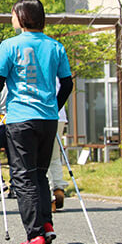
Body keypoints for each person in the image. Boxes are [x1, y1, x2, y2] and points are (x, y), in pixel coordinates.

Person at [0, 0, 73, 244]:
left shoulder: (9, 46)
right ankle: (46, 224)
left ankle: (34, 236)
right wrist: (53, 107)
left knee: (23, 177)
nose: (11, 18)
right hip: (48, 120)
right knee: (39, 173)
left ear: (22, 17)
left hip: (20, 119)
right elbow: (67, 84)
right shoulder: (56, 46)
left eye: (13, 14)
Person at [49, 80, 70, 212]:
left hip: (43, 114)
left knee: (42, 157)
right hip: (59, 114)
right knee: (54, 155)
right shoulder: (56, 60)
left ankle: (49, 196)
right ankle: (58, 187)